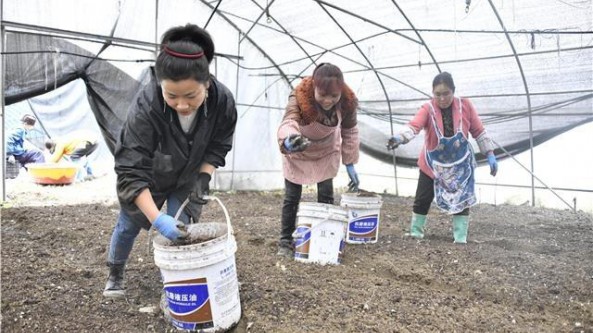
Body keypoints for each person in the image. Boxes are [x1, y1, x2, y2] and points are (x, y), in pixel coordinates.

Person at [103, 24, 237, 298]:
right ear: (160, 85)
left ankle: (177, 280)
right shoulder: (147, 106)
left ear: (207, 84)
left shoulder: (222, 101)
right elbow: (130, 168)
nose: (182, 105)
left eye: (191, 96)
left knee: (182, 229)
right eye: (171, 96)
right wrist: (156, 218)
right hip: (149, 177)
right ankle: (115, 272)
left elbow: (219, 144)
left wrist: (203, 176)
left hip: (188, 176)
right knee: (129, 225)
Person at [387, 72, 498, 244]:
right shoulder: (428, 109)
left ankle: (460, 238)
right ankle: (416, 233)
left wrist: (490, 154)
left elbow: (478, 131)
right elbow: (414, 126)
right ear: (433, 93)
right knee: (422, 197)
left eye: (446, 93)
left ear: (453, 91)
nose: (442, 98)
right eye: (437, 94)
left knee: (462, 199)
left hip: (459, 165)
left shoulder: (465, 106)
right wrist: (400, 138)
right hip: (433, 164)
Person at [276, 62, 360, 257]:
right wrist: (289, 140)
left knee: (326, 195)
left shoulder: (348, 101)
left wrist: (350, 163)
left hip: (326, 151)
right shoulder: (299, 96)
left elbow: (350, 131)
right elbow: (289, 121)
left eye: (333, 96)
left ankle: (325, 236)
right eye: (323, 95)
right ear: (314, 87)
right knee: (291, 197)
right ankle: (285, 241)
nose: (328, 101)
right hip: (299, 148)